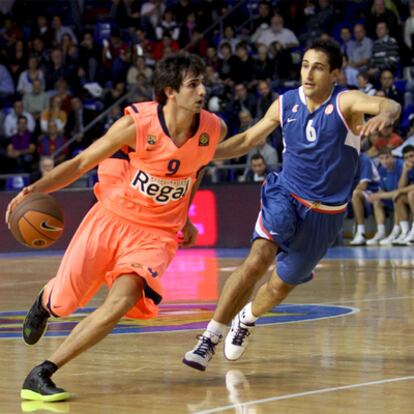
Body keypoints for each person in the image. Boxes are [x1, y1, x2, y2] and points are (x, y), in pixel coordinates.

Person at [5, 52, 226, 401]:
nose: (203, 91)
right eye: (193, 85)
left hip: (157, 233)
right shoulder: (136, 126)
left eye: (203, 83)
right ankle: (46, 303)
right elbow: (80, 162)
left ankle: (43, 371)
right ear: (170, 91)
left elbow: (194, 171)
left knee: (122, 300)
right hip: (113, 218)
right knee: (66, 301)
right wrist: (36, 189)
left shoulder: (213, 129)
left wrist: (184, 216)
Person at [183, 39, 401, 371]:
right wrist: (201, 153)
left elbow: (389, 105)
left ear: (335, 74)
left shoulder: (346, 103)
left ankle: (247, 318)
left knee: (281, 285)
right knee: (257, 259)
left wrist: (384, 113)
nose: (309, 73)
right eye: (304, 65)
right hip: (285, 194)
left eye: (318, 67)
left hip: (325, 214)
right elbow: (246, 140)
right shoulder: (285, 103)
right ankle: (210, 336)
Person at [366, 148, 404, 245]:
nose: (385, 161)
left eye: (387, 157)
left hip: (402, 197)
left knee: (397, 198)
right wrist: (377, 196)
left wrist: (379, 195)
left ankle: (395, 232)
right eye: (381, 158)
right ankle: (381, 232)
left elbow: (399, 191)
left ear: (392, 157)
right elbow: (381, 189)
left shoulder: (400, 165)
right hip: (389, 197)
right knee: (376, 201)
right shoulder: (381, 169)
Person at [349, 153, 380, 246]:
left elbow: (363, 186)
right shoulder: (345, 159)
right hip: (361, 192)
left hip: (374, 191)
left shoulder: (364, 159)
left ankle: (361, 232)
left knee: (355, 194)